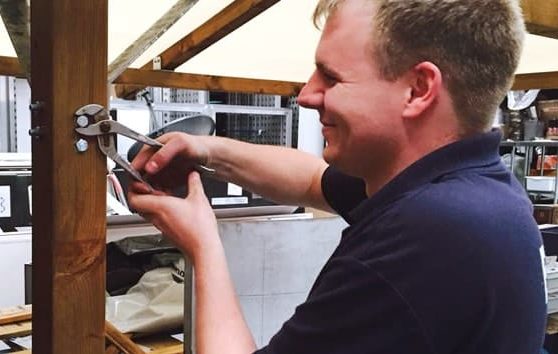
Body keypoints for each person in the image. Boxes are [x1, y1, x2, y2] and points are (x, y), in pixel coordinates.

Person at [128, 0, 547, 353]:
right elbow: (312, 181)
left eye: (330, 76)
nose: (306, 95)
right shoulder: (473, 190)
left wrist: (203, 246)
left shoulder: (433, 232)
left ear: (419, 89)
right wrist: (206, 149)